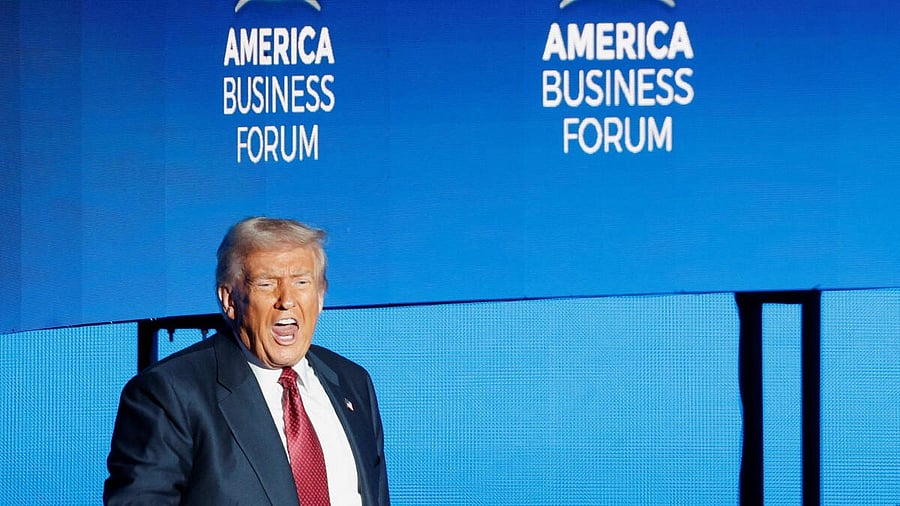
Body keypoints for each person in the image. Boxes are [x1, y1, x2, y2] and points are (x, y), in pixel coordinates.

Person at [104, 217, 390, 505]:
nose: (287, 300)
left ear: (320, 295)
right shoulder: (169, 393)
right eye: (267, 284)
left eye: (302, 282)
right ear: (229, 300)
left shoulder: (353, 382)